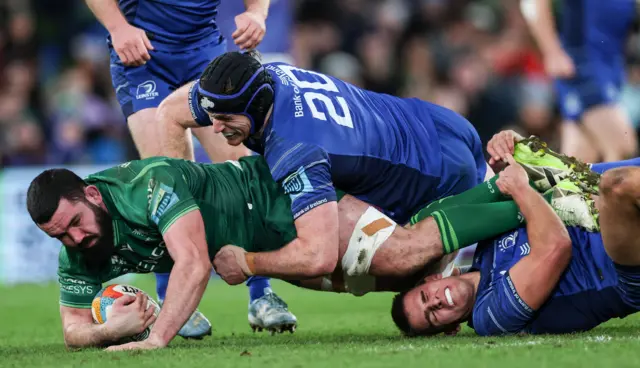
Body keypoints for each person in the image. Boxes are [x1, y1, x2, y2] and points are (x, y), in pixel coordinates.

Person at [27, 143, 596, 350]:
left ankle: (519, 189)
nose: (75, 240)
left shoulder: (148, 184)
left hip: (271, 201)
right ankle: (509, 206)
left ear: (91, 194)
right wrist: (109, 330)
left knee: (402, 252)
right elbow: (74, 327)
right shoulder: (76, 249)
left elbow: (196, 262)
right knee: (399, 279)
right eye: (60, 236)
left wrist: (152, 340)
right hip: (259, 237)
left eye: (75, 223)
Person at [156, 50, 494, 285]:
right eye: (211, 117)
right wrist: (191, 218)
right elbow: (171, 111)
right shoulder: (269, 74)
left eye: (226, 118)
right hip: (436, 121)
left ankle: (480, 275)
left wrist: (247, 262)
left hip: (437, 172)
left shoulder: (295, 149)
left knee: (403, 270)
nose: (214, 129)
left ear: (257, 106)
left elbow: (317, 256)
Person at [84, 0, 296, 336]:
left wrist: (257, 13)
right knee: (165, 181)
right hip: (143, 56)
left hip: (203, 52)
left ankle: (262, 295)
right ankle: (172, 298)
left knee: (243, 174)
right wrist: (117, 26)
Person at [392, 132, 640, 336]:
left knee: (615, 183)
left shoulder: (484, 246)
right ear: (451, 329)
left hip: (594, 200)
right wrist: (520, 188)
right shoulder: (491, 317)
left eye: (425, 297)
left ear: (431, 281)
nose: (435, 302)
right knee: (618, 186)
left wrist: (513, 153)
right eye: (433, 316)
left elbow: (539, 190)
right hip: (616, 269)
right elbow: (556, 247)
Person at [521, 0, 637, 162]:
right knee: (622, 147)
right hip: (582, 65)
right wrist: (551, 51)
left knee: (581, 159)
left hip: (611, 67)